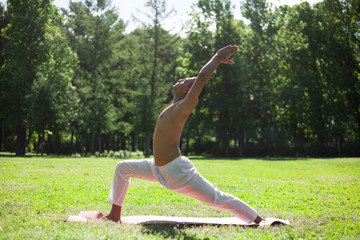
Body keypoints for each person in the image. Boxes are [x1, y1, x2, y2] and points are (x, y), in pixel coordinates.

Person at [102, 45, 263, 224]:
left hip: (177, 172)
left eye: (186, 80)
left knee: (217, 198)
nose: (181, 79)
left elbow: (202, 77)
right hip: (158, 168)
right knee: (122, 168)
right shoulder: (175, 104)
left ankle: (258, 220)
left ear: (189, 91)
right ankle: (114, 214)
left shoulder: (183, 107)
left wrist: (217, 57)